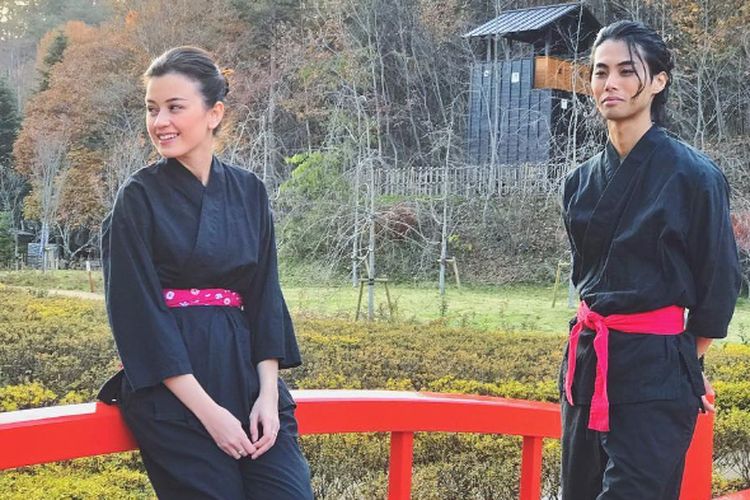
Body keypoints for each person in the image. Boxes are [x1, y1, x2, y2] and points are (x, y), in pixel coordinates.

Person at [97, 46, 313, 499]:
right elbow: (137, 316)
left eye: (175, 107)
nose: (160, 122)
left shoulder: (250, 191)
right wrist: (210, 414)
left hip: (247, 379)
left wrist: (268, 395)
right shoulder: (138, 198)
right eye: (152, 109)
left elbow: (265, 297)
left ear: (214, 113)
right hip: (174, 390)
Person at [559, 20, 740, 499]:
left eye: (626, 71)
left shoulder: (693, 176)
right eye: (600, 72)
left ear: (658, 81)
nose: (610, 83)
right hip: (588, 362)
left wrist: (684, 362)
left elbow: (719, 282)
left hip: (656, 370)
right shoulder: (579, 183)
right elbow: (587, 277)